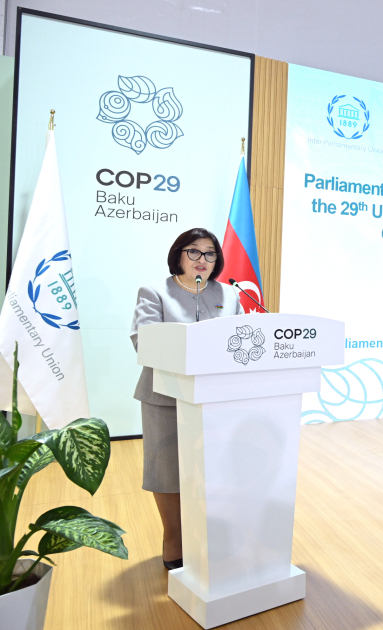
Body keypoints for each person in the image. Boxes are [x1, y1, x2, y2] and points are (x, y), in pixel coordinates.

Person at [129, 228, 244, 570]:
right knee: (166, 469)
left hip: (216, 397)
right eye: (194, 251)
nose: (202, 259)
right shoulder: (155, 292)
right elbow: (143, 340)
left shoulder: (230, 294)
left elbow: (241, 340)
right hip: (165, 394)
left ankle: (209, 533)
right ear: (178, 255)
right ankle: (174, 536)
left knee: (214, 468)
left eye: (210, 253)